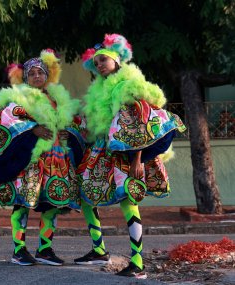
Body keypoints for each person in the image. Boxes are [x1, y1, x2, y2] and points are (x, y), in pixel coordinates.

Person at [75, 34, 186, 278]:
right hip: (104, 151)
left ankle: (137, 263)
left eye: (104, 60)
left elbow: (140, 123)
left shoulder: (127, 87)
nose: (100, 64)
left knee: (128, 201)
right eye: (97, 62)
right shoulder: (100, 90)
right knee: (84, 194)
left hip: (127, 155)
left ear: (117, 61)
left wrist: (138, 159)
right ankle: (98, 250)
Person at [0, 49, 86, 266]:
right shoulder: (19, 99)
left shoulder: (57, 99)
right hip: (30, 161)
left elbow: (75, 122)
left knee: (53, 203)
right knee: (22, 203)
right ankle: (19, 250)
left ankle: (45, 249)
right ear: (25, 77)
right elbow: (6, 121)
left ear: (47, 76)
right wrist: (32, 130)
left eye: (40, 72)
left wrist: (69, 132)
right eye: (32, 73)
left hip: (57, 159)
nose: (37, 76)